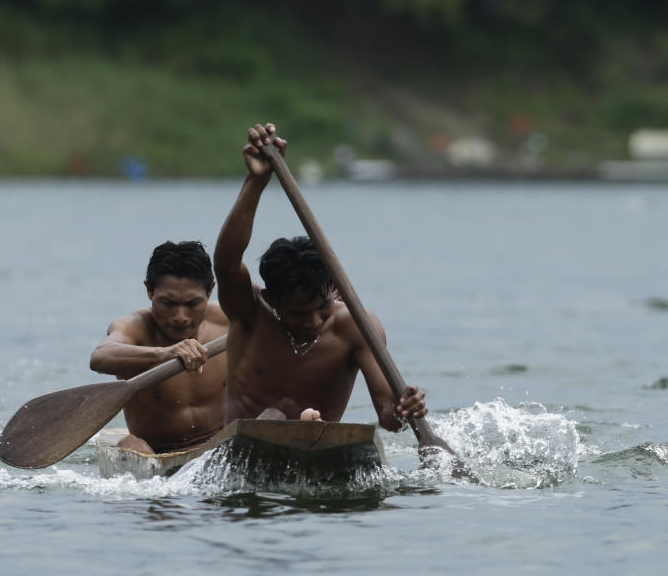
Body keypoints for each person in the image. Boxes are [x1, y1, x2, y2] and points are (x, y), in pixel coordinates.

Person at [213, 123, 427, 430]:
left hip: (316, 448)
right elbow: (226, 263)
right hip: (242, 450)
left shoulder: (358, 326)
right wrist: (256, 181)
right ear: (272, 299)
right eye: (299, 313)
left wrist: (404, 407)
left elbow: (388, 418)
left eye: (322, 309)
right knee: (270, 418)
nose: (313, 322)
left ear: (336, 292)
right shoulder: (250, 312)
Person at [89, 240, 229, 454]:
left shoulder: (228, 320)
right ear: (149, 291)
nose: (181, 317)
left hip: (222, 448)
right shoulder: (134, 327)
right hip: (157, 453)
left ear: (210, 291)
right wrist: (165, 353)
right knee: (129, 444)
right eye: (168, 303)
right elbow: (99, 357)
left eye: (192, 304)